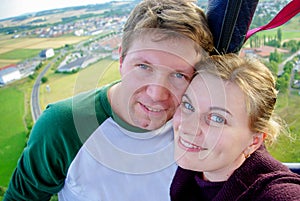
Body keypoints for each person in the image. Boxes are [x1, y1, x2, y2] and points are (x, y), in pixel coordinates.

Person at [4, 0, 213, 200]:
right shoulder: (64, 127)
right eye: (143, 67)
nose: (157, 94)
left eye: (179, 75)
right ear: (121, 59)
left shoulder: (201, 129)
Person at [170, 53, 300, 201]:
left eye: (217, 118)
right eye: (188, 105)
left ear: (254, 142)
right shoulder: (191, 174)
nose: (188, 128)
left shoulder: (276, 194)